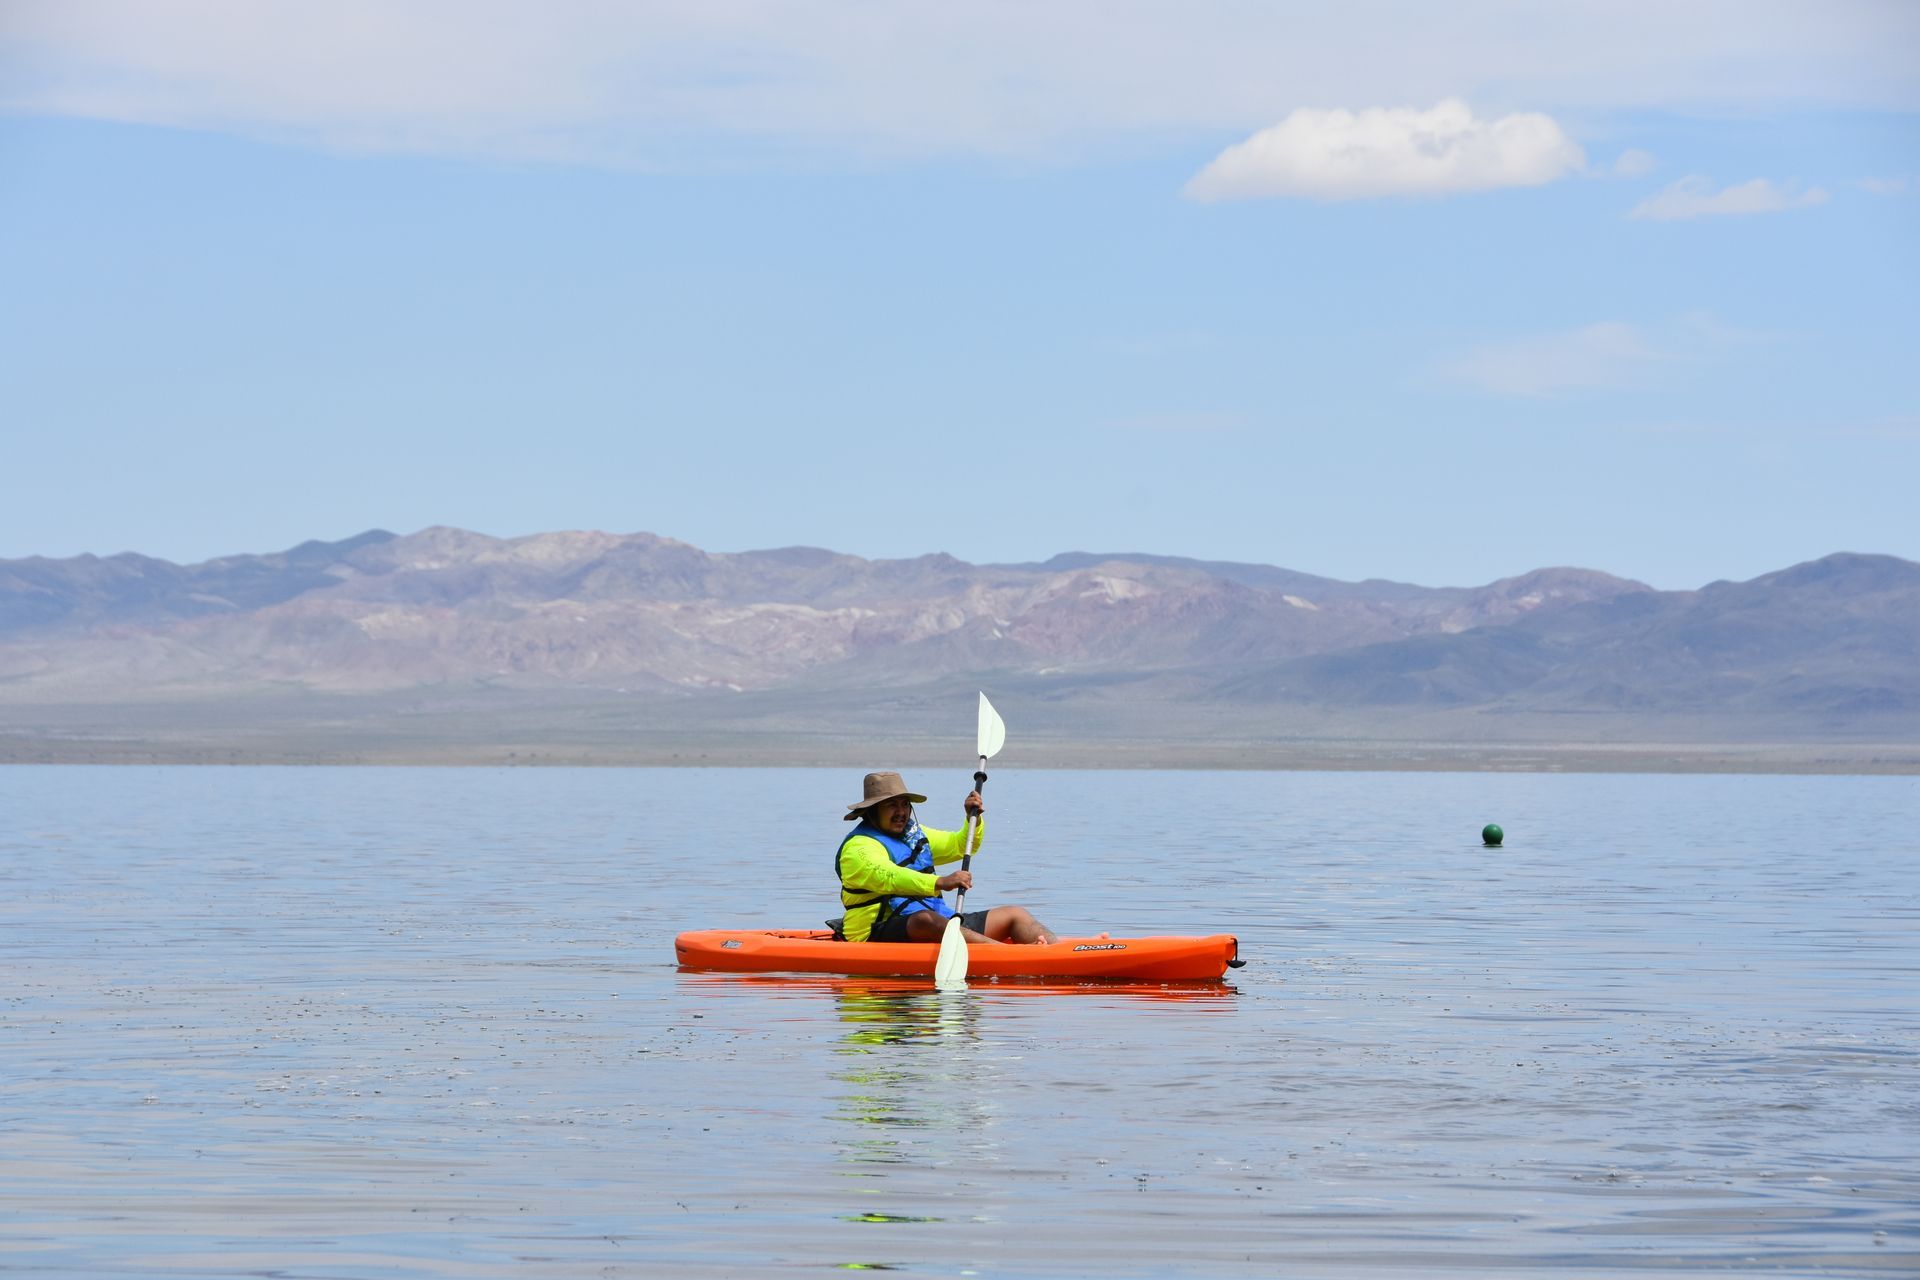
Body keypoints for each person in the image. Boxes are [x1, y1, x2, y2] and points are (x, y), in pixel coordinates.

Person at [835, 771, 1056, 945]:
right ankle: (1009, 955)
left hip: (936, 921)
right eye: (892, 805)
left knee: (1014, 914)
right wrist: (940, 882)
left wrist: (973, 819)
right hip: (874, 932)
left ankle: (1054, 951)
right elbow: (889, 876)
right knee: (924, 919)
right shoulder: (858, 848)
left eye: (904, 804)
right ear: (872, 812)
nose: (901, 811)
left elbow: (960, 845)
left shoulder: (913, 835)